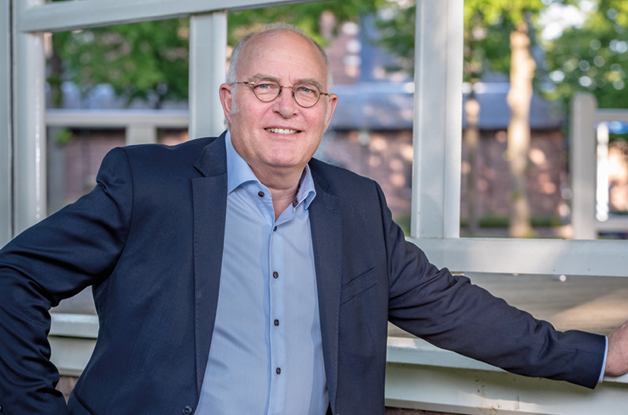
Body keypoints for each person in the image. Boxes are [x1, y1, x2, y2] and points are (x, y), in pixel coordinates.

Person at [1, 24, 627, 415]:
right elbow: (13, 280)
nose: (286, 107)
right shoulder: (150, 184)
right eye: (264, 86)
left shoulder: (356, 206)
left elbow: (452, 309)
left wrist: (599, 355)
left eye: (305, 91)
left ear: (325, 110)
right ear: (229, 100)